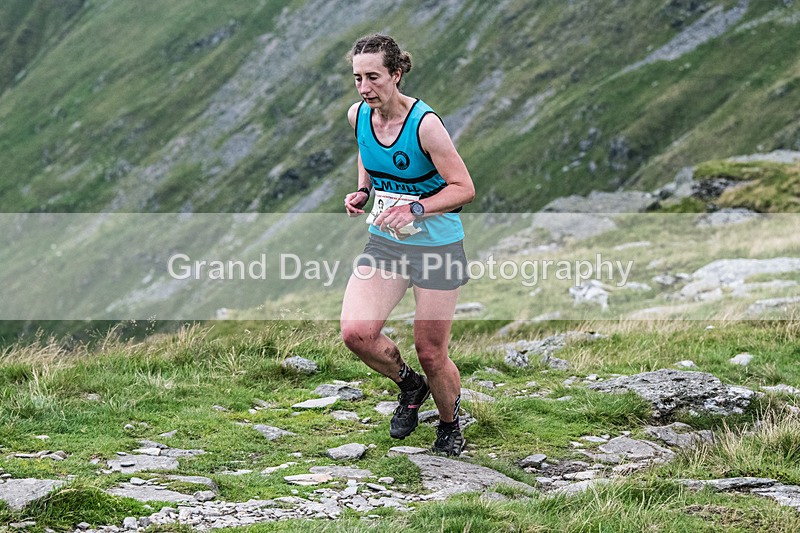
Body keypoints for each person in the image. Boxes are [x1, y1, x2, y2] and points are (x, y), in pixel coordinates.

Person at [340, 34, 476, 456]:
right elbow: (367, 152)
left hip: (437, 249)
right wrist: (364, 189)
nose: (365, 88)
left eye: (374, 77)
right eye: (358, 78)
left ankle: (450, 426)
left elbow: (464, 188)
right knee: (356, 333)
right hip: (387, 244)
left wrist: (416, 209)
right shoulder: (358, 115)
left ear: (396, 74)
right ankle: (409, 384)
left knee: (431, 351)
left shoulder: (424, 124)